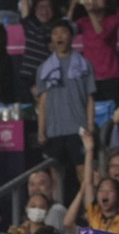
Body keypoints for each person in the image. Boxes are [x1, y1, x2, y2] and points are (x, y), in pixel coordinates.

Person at [36, 19, 95, 185]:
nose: (59, 36)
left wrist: (90, 125)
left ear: (71, 36)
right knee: (55, 175)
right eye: (55, 33)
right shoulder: (44, 68)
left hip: (78, 128)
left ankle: (88, 201)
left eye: (63, 32)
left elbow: (90, 97)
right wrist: (41, 131)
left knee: (83, 171)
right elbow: (42, 101)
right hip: (54, 130)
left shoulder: (84, 65)